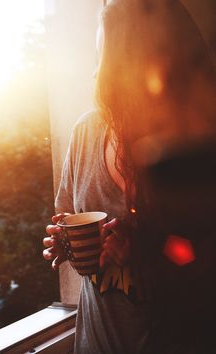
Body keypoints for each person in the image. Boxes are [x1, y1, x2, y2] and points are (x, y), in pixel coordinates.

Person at [44, 0, 216, 353]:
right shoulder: (85, 134)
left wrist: (149, 250)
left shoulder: (189, 149)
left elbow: (201, 257)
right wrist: (61, 242)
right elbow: (64, 216)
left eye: (103, 59)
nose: (95, 74)